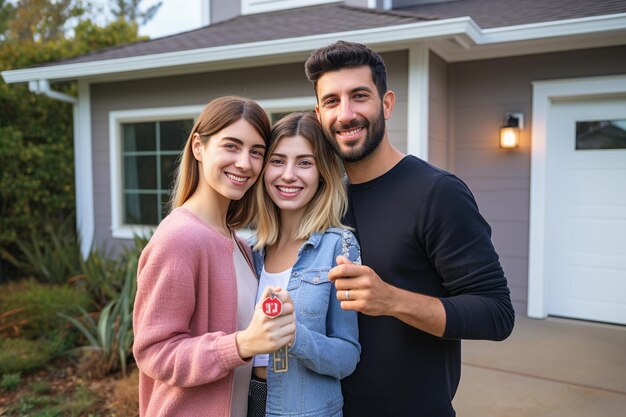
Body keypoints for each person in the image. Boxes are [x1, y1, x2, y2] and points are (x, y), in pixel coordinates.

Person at [304, 40, 515, 417]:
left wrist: (392, 300)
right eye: (332, 102)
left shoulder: (436, 193)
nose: (346, 113)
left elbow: (496, 313)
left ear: (386, 104)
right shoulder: (322, 197)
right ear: (319, 114)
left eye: (359, 96)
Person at [132, 96, 297, 417]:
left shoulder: (239, 243)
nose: (244, 163)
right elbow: (154, 352)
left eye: (256, 152)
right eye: (231, 146)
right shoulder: (179, 237)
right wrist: (240, 345)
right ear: (198, 147)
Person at [247, 111, 361, 417]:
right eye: (278, 160)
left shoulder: (338, 247)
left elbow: (348, 356)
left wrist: (296, 337)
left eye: (305, 163)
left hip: (305, 410)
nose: (288, 175)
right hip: (243, 403)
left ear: (322, 172)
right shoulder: (249, 252)